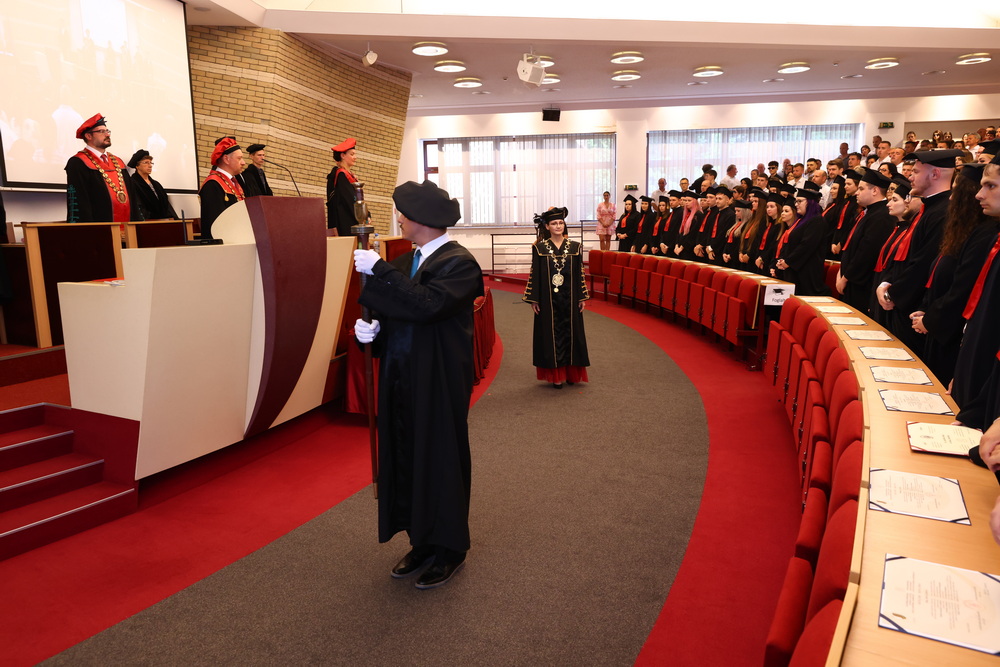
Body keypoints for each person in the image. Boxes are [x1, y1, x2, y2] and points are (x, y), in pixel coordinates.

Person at [351, 179, 484, 590]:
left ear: (420, 219)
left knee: (439, 459)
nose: (400, 219)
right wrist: (372, 333)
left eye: (403, 214)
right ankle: (421, 540)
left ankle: (450, 548)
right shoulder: (407, 260)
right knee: (406, 455)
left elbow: (428, 305)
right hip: (402, 375)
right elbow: (397, 311)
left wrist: (380, 270)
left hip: (438, 380)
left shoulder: (460, 263)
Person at [909, 164, 1000, 385]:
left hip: (955, 337)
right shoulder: (968, 232)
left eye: (990, 186)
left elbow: (963, 289)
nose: (951, 198)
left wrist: (931, 320)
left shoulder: (985, 235)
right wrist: (927, 310)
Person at [523, 206, 590, 389]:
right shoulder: (539, 248)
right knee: (551, 335)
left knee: (572, 334)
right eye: (554, 223)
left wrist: (582, 297)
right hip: (548, 299)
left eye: (561, 222)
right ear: (547, 226)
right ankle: (556, 375)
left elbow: (580, 273)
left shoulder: (575, 247)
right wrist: (534, 298)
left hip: (570, 299)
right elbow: (535, 273)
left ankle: (571, 373)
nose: (558, 226)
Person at [836, 170, 895, 312]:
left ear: (875, 190)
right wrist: (841, 271)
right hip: (850, 279)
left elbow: (866, 253)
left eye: (861, 189)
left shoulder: (882, 216)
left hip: (860, 284)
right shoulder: (868, 212)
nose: (857, 192)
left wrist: (846, 277)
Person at [64, 113, 140, 223]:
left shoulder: (117, 162)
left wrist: (137, 224)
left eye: (107, 131)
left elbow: (132, 196)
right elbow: (80, 201)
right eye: (101, 131)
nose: (107, 134)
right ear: (89, 136)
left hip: (127, 228)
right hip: (98, 228)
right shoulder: (78, 162)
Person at [772, 182, 828, 295]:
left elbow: (806, 245)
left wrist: (788, 261)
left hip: (807, 271)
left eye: (799, 201)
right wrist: (782, 260)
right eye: (796, 201)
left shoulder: (817, 220)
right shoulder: (800, 221)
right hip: (794, 269)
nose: (796, 204)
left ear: (810, 203)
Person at [198, 137, 245, 240]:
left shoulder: (234, 182)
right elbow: (216, 223)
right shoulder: (213, 184)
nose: (243, 162)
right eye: (239, 158)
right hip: (220, 243)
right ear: (226, 159)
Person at [128, 150, 177, 220]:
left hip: (163, 221)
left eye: (151, 163)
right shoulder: (132, 183)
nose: (150, 166)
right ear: (137, 166)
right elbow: (137, 206)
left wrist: (173, 218)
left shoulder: (156, 184)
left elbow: (166, 204)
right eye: (146, 163)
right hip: (147, 222)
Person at [327, 137, 359, 235]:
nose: (355, 157)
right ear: (343, 155)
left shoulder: (348, 174)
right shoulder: (341, 175)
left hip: (350, 220)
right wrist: (362, 216)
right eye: (352, 154)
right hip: (346, 223)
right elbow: (349, 200)